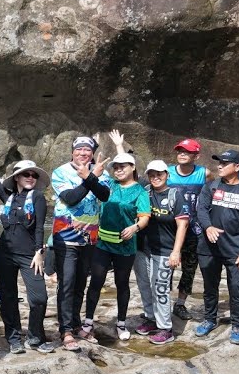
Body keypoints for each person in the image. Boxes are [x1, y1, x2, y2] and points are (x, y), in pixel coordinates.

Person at [0, 150, 53, 355]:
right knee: (8, 297)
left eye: (34, 175)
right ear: (16, 178)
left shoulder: (38, 198)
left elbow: (40, 227)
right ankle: (14, 339)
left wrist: (39, 252)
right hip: (5, 255)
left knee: (39, 298)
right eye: (26, 174)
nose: (31, 177)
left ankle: (35, 337)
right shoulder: (8, 197)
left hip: (30, 256)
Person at [84, 132, 151, 342]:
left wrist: (135, 227)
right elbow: (94, 174)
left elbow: (145, 217)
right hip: (103, 244)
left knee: (122, 284)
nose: (119, 169)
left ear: (133, 168)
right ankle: (88, 321)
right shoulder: (110, 185)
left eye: (123, 166)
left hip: (125, 246)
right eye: (116, 167)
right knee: (96, 281)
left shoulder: (140, 191)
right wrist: (98, 147)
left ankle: (121, 322)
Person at [193, 149, 239, 345]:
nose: (219, 166)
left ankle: (238, 325)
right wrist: (208, 227)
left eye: (224, 163)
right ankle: (209, 319)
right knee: (209, 286)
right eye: (219, 163)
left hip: (236, 249)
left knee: (237, 288)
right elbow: (201, 210)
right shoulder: (211, 187)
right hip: (209, 248)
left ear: (237, 166)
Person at [50, 136, 111, 351]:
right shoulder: (60, 172)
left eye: (87, 150)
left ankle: (76, 324)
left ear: (92, 153)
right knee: (66, 283)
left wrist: (92, 176)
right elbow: (70, 197)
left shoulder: (101, 171)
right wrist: (91, 178)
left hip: (89, 238)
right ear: (72, 152)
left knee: (80, 284)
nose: (83, 153)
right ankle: (65, 330)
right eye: (79, 149)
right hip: (65, 236)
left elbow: (104, 195)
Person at [133, 161, 190, 345]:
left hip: (165, 250)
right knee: (144, 285)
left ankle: (166, 328)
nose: (155, 177)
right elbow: (130, 172)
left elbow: (183, 225)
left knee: (160, 288)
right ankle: (151, 318)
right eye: (152, 174)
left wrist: (176, 251)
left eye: (159, 174)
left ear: (167, 175)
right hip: (143, 248)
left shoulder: (175, 195)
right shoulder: (145, 192)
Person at [167, 139, 210, 320]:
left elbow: (211, 196)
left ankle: (180, 303)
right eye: (180, 151)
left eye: (187, 151)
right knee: (166, 267)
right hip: (170, 229)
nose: (182, 154)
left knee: (189, 268)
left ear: (196, 156)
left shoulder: (204, 173)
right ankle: (162, 302)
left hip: (194, 229)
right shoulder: (167, 172)